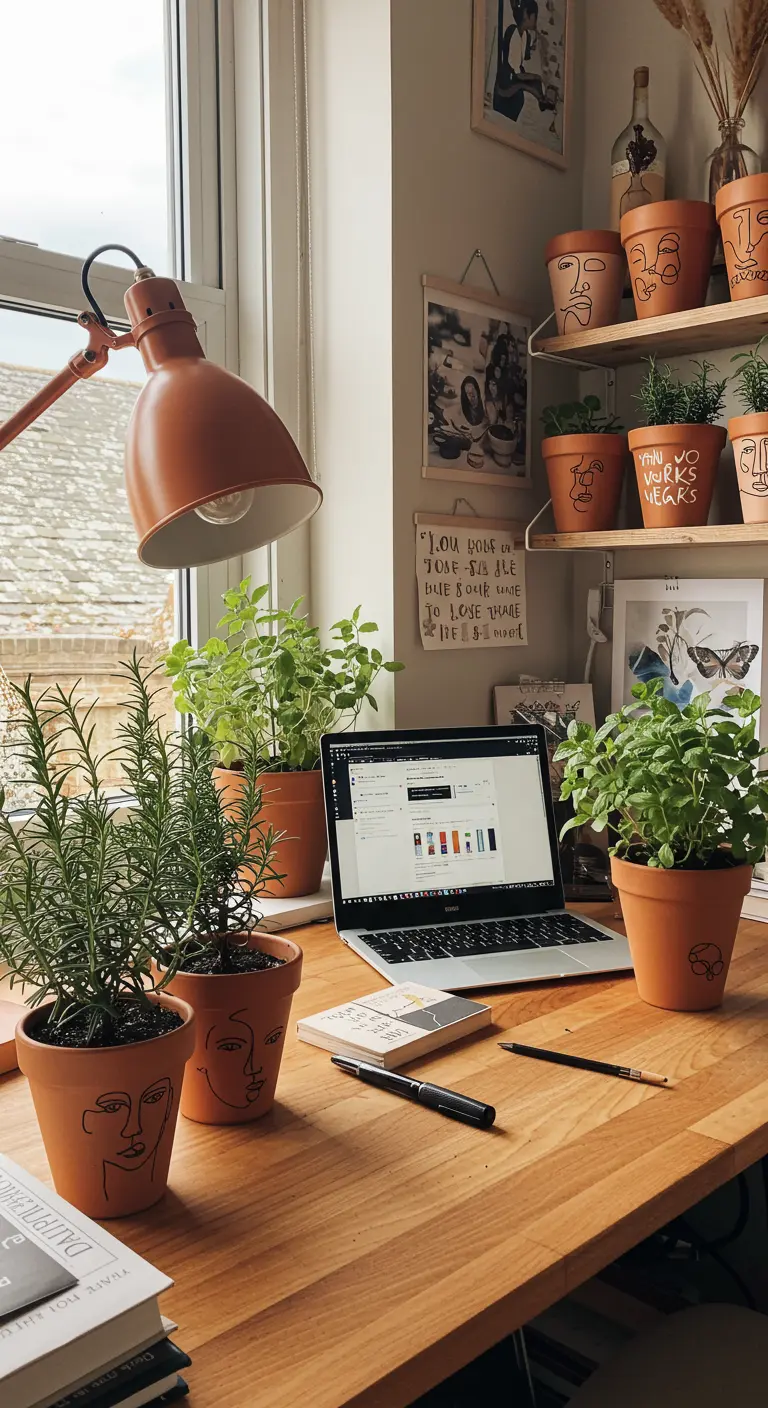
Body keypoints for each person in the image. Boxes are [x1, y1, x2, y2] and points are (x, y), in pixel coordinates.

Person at [493, 0, 556, 124]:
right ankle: (541, 100)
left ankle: (542, 100)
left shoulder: (526, 35)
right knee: (535, 80)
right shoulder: (512, 32)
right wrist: (529, 76)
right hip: (508, 77)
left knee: (536, 80)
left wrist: (532, 48)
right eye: (534, 16)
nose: (535, 20)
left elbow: (525, 57)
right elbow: (512, 65)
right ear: (527, 14)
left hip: (516, 74)